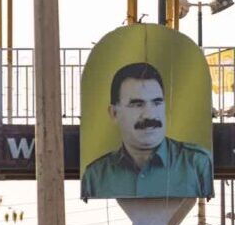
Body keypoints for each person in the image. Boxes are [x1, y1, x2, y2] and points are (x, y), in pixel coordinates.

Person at [81, 62, 214, 200]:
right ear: (114, 113)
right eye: (137, 104)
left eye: (157, 103)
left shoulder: (198, 164)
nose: (149, 115)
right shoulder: (95, 176)